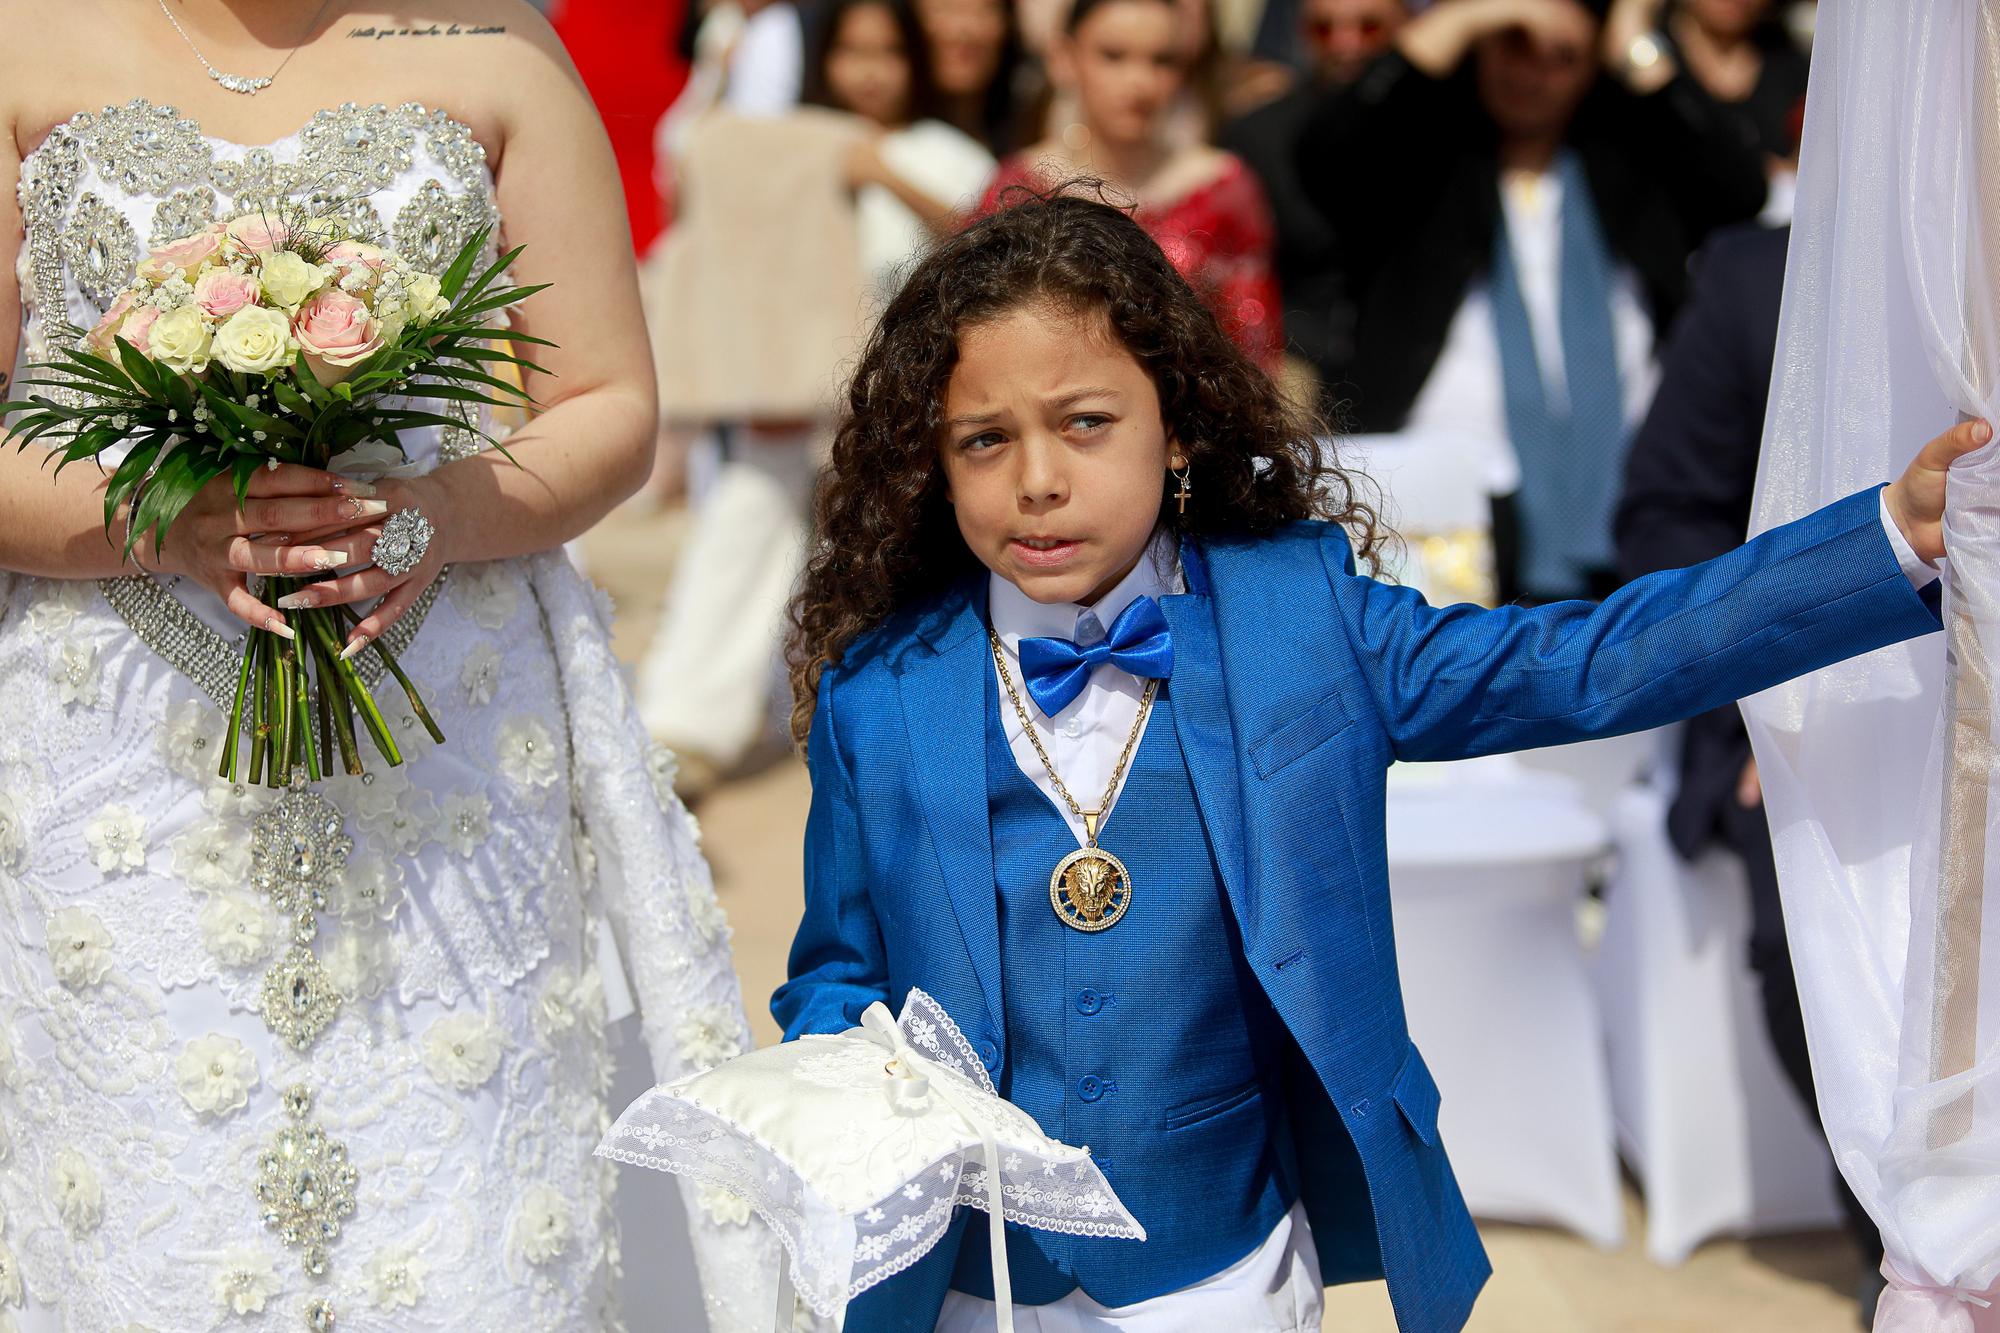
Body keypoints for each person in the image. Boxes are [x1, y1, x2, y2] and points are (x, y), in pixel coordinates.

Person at [774, 192, 1971, 1332]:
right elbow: (836, 969)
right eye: (984, 440)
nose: (1036, 478)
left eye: (1084, 422)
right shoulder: (881, 693)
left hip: (1220, 1269)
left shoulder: (1302, 625)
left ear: (1174, 424)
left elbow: (1586, 661)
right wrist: (843, 1087)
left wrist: (1879, 542)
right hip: (971, 1284)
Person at [0, 3, 764, 1329]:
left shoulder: (494, 38)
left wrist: (433, 517)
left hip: (444, 742)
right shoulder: (26, 37)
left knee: (460, 1204)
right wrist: (165, 520)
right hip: (121, 765)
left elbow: (607, 401)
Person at [1614, 218, 1888, 1325]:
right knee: (1814, 936)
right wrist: (1771, 697)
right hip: (1806, 697)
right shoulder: (1761, 278)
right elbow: (1665, 517)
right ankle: (1904, 1240)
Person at [1299, 0, 1767, 602]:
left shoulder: (1627, 154)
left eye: (1561, 57)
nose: (1531, 73)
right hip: (1453, 504)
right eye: (1514, 45)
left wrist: (1632, 39)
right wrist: (1468, 16)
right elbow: (1325, 152)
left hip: (1631, 496)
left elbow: (1739, 189)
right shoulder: (1423, 156)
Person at [978, 0, 1283, 372]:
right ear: (1064, 59)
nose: (1140, 82)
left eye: (1162, 61)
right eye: (1114, 56)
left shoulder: (1225, 187)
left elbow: (1255, 349)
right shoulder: (1019, 189)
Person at [1222, 0, 1407, 409]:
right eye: (1324, 29)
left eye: (1369, 27)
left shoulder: (1444, 127)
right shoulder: (1256, 134)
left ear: (1406, 27)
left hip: (1413, 361)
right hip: (1298, 361)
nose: (1345, 43)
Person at [804, 0, 998, 303]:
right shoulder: (803, 140)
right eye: (853, 50)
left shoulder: (954, 152)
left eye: (890, 51)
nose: (870, 71)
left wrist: (886, 177)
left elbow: (989, 248)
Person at [916, 0, 1029, 155]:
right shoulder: (885, 149)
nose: (965, 30)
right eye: (944, 8)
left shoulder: (1031, 128)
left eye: (984, 10)